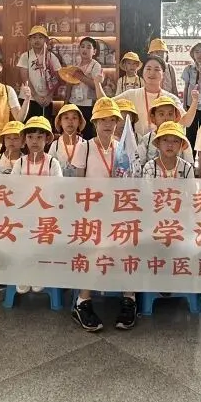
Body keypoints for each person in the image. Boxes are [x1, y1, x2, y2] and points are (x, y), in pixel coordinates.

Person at [70, 98, 137, 332]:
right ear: (95, 123)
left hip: (119, 212)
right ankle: (82, 302)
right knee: (94, 250)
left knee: (129, 249)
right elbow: (78, 185)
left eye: (112, 120)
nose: (108, 124)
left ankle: (129, 299)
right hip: (92, 214)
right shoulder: (85, 147)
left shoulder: (122, 148)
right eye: (103, 120)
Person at [109, 54, 199, 137]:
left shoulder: (170, 98)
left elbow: (186, 122)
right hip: (137, 145)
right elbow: (107, 104)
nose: (152, 73)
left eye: (157, 69)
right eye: (148, 69)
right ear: (142, 72)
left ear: (163, 74)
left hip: (163, 145)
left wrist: (195, 101)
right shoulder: (132, 94)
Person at [133, 95, 195, 177]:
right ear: (153, 117)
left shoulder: (182, 139)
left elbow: (189, 164)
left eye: (170, 114)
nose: (166, 118)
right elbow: (139, 164)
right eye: (161, 114)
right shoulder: (146, 139)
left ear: (175, 116)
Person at [17, 26, 62, 122]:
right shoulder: (25, 56)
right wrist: (35, 96)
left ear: (45, 40)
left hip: (46, 100)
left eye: (40, 37)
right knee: (27, 126)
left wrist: (49, 96)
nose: (37, 40)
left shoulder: (51, 57)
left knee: (44, 127)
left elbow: (57, 77)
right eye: (34, 37)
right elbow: (24, 78)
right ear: (30, 40)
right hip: (28, 99)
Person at [65, 36, 102, 137]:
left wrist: (80, 76)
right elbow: (69, 85)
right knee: (73, 131)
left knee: (86, 133)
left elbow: (95, 85)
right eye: (82, 46)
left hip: (88, 105)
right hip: (73, 102)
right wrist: (66, 102)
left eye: (88, 47)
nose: (85, 49)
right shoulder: (75, 65)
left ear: (94, 51)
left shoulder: (96, 66)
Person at [49, 103, 87, 176]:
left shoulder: (85, 144)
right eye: (66, 118)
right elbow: (50, 168)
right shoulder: (55, 145)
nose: (70, 121)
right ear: (60, 122)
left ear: (79, 122)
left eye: (74, 118)